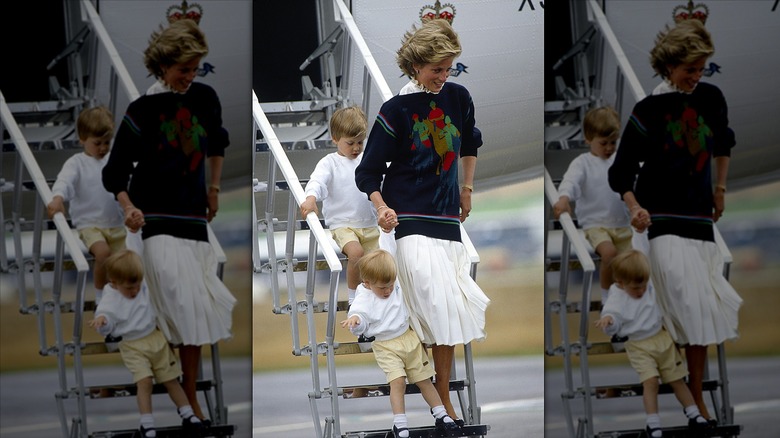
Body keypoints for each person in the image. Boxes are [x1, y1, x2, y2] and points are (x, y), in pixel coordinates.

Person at [355, 18, 490, 423]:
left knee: (446, 312)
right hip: (408, 220)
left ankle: (442, 402)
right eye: (437, 69)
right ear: (416, 65)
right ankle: (441, 406)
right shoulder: (395, 109)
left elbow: (470, 142)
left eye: (449, 69)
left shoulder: (459, 97)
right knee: (430, 306)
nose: (444, 77)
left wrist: (467, 189)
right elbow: (368, 171)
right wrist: (381, 208)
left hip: (448, 220)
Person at [608, 18, 742, 423]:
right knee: (682, 306)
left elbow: (723, 143)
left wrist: (720, 189)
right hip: (661, 222)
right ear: (669, 66)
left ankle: (695, 399)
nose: (696, 77)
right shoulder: (649, 109)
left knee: (700, 312)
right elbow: (621, 171)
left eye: (701, 69)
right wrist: (634, 207)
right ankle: (693, 403)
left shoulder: (712, 98)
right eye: (690, 70)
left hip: (701, 219)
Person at [102, 18, 236, 422]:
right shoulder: (142, 109)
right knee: (174, 308)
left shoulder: (205, 97)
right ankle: (186, 403)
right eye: (184, 70)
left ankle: (190, 398)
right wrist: (128, 207)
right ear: (162, 66)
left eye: (195, 69)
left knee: (194, 311)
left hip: (193, 218)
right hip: (154, 221)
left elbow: (217, 143)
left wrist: (213, 189)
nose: (190, 77)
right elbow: (115, 171)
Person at [594, 248, 711, 437]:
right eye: (635, 288)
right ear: (621, 283)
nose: (641, 291)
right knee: (651, 382)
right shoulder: (618, 295)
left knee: (677, 379)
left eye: (643, 285)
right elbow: (612, 312)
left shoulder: (649, 286)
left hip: (661, 339)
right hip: (639, 345)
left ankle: (694, 414)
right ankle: (653, 422)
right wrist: (609, 321)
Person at [88, 248, 204, 437]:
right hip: (132, 345)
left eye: (137, 285)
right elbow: (106, 313)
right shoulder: (111, 296)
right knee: (145, 382)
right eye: (129, 288)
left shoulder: (142, 286)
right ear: (114, 284)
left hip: (154, 338)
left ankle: (188, 414)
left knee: (171, 379)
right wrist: (102, 322)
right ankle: (147, 422)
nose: (134, 291)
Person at [340, 249, 458, 438]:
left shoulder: (394, 285)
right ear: (367, 284)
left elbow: (389, 250)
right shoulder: (365, 296)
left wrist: (388, 231)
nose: (387, 290)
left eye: (390, 285)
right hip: (385, 345)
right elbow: (359, 312)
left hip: (408, 339)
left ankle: (441, 414)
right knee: (398, 382)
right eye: (382, 287)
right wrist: (356, 320)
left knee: (424, 380)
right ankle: (400, 423)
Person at [300, 106, 379, 309]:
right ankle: (353, 296)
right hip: (343, 224)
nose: (356, 148)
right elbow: (317, 181)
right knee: (356, 254)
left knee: (377, 264)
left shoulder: (367, 159)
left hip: (370, 224)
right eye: (350, 143)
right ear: (335, 139)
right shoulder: (330, 163)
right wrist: (311, 198)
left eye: (360, 142)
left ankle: (374, 299)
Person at [552, 106, 631, 306]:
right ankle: (606, 295)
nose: (609, 148)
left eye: (613, 142)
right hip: (596, 225)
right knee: (609, 254)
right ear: (588, 139)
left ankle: (627, 297)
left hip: (623, 224)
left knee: (631, 263)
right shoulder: (583, 163)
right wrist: (564, 198)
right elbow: (570, 181)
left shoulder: (621, 159)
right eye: (603, 143)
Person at [47, 106, 126, 307]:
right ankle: (100, 295)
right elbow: (64, 181)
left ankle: (119, 297)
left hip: (117, 223)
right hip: (90, 224)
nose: (102, 148)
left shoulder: (115, 159)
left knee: (124, 264)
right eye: (97, 143)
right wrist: (58, 198)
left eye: (107, 142)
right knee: (103, 254)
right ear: (82, 139)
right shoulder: (77, 163)